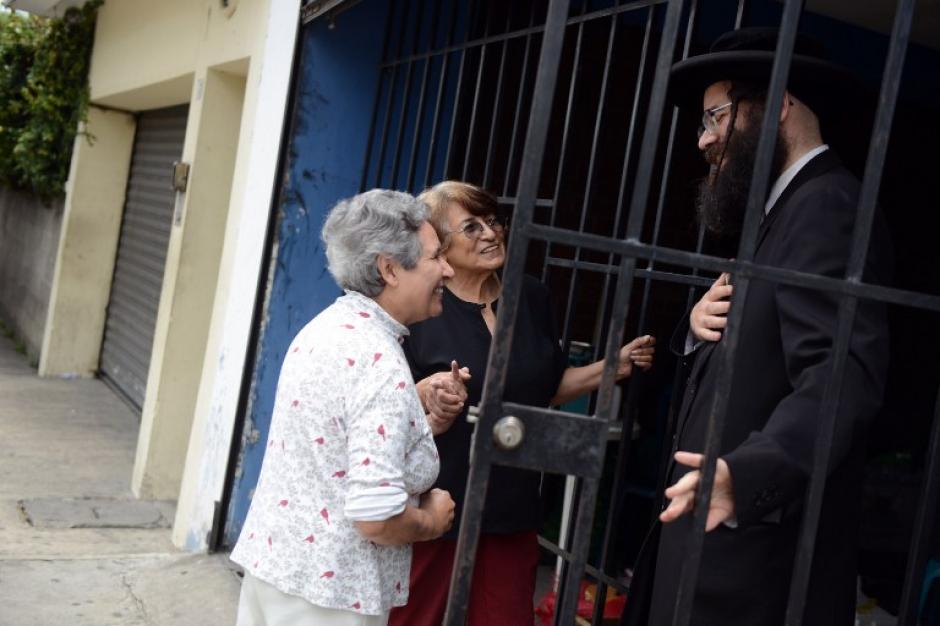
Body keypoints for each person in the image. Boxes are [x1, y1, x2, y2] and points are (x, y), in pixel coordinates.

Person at [621, 28, 893, 626]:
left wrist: (747, 475)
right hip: (713, 555)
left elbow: (841, 373)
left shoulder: (827, 206)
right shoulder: (782, 213)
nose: (705, 139)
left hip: (753, 570)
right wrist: (695, 329)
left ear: (781, 104)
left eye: (717, 115)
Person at [388, 180, 656, 626]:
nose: (491, 233)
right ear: (439, 244)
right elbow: (389, 399)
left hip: (511, 500)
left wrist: (612, 368)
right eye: (471, 226)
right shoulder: (422, 304)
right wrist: (429, 392)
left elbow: (540, 388)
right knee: (416, 618)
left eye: (493, 220)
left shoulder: (531, 296)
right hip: (437, 501)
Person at [230, 189, 457, 626]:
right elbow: (376, 518)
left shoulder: (327, 329)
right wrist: (431, 519)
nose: (447, 269)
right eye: (434, 258)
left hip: (281, 572)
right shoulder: (377, 362)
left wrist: (418, 420)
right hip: (330, 599)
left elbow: (333, 443)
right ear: (389, 269)